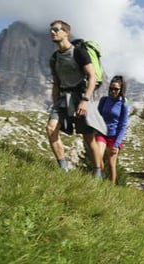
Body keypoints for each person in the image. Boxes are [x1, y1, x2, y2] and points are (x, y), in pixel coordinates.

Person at [46, 20, 100, 174]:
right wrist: (56, 104)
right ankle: (63, 170)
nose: (52, 32)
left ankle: (97, 173)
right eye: (51, 30)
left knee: (88, 138)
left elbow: (92, 76)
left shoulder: (78, 52)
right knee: (51, 129)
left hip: (81, 96)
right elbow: (56, 83)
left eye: (56, 29)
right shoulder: (54, 58)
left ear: (66, 33)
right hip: (63, 98)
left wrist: (85, 100)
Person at [94, 75, 129, 184]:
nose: (113, 91)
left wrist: (116, 143)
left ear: (121, 90)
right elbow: (98, 115)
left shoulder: (123, 105)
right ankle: (98, 178)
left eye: (116, 89)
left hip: (114, 137)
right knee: (98, 156)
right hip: (102, 133)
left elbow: (123, 125)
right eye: (111, 88)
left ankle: (111, 188)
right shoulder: (104, 100)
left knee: (111, 163)